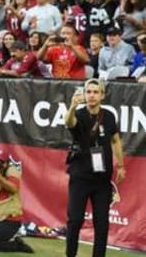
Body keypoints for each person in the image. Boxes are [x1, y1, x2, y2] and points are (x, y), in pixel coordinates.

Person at [64, 79, 126, 257]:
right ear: (84, 94)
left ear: (102, 95)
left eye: (95, 92)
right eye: (88, 92)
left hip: (102, 179)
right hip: (80, 177)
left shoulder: (109, 116)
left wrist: (121, 165)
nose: (91, 95)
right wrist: (71, 107)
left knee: (102, 224)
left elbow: (115, 140)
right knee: (74, 221)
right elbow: (69, 123)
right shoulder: (79, 114)